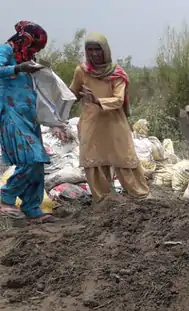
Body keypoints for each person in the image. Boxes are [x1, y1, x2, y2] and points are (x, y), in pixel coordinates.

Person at [69, 33, 149, 203]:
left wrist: (98, 100)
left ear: (105, 50)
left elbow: (118, 99)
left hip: (114, 121)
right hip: (91, 122)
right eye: (89, 50)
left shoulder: (116, 73)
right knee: (94, 161)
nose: (94, 54)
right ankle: (104, 201)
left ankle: (141, 196)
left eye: (97, 49)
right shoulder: (81, 71)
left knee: (124, 158)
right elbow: (73, 93)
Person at [0, 21, 59, 223]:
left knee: (38, 164)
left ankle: (32, 208)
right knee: (32, 158)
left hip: (29, 115)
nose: (34, 51)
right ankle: (5, 196)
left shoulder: (27, 58)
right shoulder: (6, 50)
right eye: (34, 46)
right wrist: (18, 68)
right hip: (11, 112)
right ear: (25, 40)